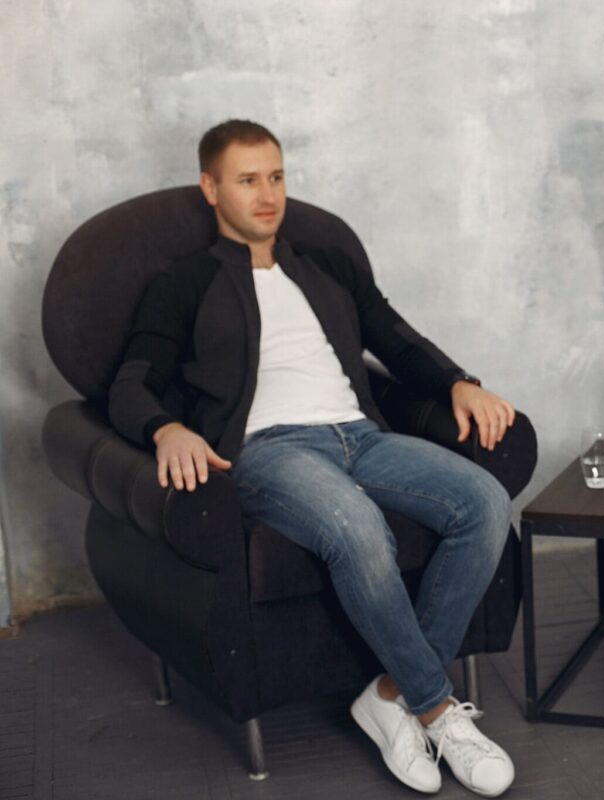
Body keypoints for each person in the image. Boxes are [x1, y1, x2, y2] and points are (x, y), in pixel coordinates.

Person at [109, 120, 518, 798]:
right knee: (357, 529)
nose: (267, 195)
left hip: (362, 436)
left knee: (484, 504)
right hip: (267, 450)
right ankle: (438, 711)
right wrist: (165, 430)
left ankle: (389, 695)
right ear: (210, 188)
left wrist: (458, 382)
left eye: (276, 177)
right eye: (247, 180)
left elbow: (396, 339)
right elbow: (131, 382)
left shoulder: (326, 266)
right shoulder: (184, 284)